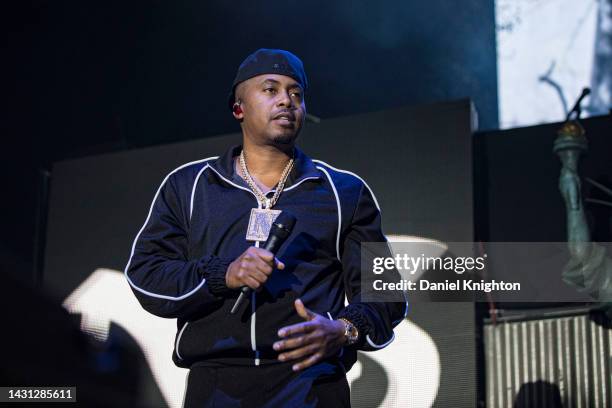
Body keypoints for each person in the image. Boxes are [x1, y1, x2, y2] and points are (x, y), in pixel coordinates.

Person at [125, 48, 407, 407]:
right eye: (270, 90)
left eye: (296, 93)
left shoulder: (344, 191)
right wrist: (222, 273)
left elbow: (385, 293)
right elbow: (147, 274)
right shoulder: (190, 185)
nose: (286, 101)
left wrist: (345, 329)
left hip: (311, 384)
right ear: (238, 108)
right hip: (215, 385)